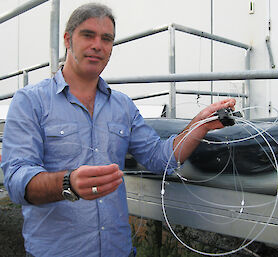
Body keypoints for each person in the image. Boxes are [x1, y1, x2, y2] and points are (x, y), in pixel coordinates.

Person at [1, 3, 235, 257]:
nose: (97, 45)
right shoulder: (31, 102)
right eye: (88, 35)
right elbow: (16, 180)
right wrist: (68, 183)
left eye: (107, 39)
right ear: (68, 39)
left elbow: (160, 158)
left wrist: (199, 124)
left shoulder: (122, 106)